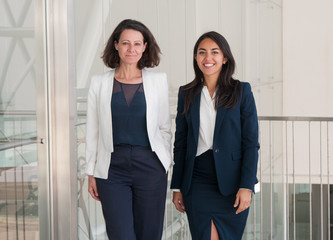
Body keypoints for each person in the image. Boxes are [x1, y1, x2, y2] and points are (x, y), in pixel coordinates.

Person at [85, 19, 172, 240]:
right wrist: (91, 172)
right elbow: (92, 131)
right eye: (125, 43)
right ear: (116, 45)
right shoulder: (99, 83)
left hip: (150, 165)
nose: (131, 49)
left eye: (137, 43)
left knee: (149, 234)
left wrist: (165, 160)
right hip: (112, 168)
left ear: (145, 47)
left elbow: (164, 127)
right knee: (120, 234)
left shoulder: (158, 81)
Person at [170, 31, 259, 239]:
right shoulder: (187, 93)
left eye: (214, 52)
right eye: (202, 52)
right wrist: (177, 186)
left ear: (224, 58)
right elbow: (180, 143)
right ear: (195, 58)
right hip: (197, 179)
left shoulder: (241, 91)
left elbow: (251, 142)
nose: (207, 58)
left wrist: (247, 185)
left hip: (232, 183)